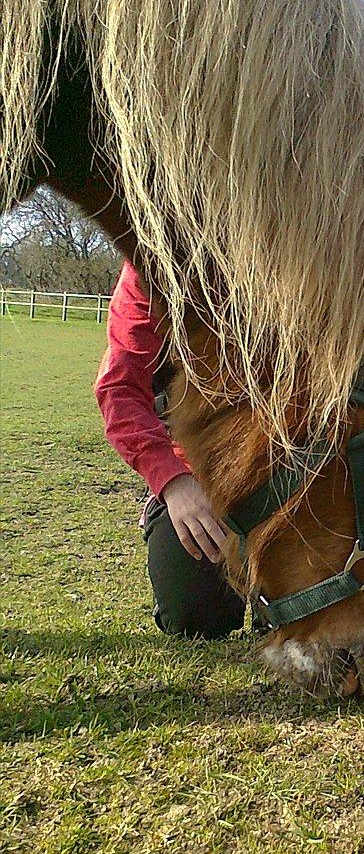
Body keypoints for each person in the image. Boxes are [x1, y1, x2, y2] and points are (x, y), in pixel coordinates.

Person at [94, 261, 247, 639]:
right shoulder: (151, 264)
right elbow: (120, 388)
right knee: (194, 617)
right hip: (194, 471)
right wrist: (173, 482)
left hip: (290, 461)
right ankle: (162, 514)